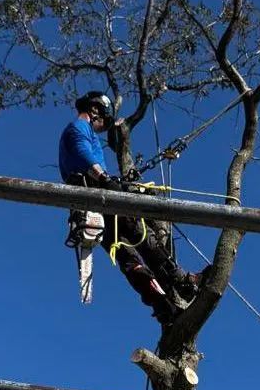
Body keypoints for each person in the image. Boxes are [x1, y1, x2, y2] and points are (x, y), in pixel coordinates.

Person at [59, 91, 199, 323]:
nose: (103, 126)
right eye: (104, 119)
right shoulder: (79, 128)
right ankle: (182, 281)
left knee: (126, 255)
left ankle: (162, 306)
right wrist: (103, 178)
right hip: (98, 193)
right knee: (140, 234)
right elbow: (83, 153)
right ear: (94, 110)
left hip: (87, 204)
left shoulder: (80, 132)